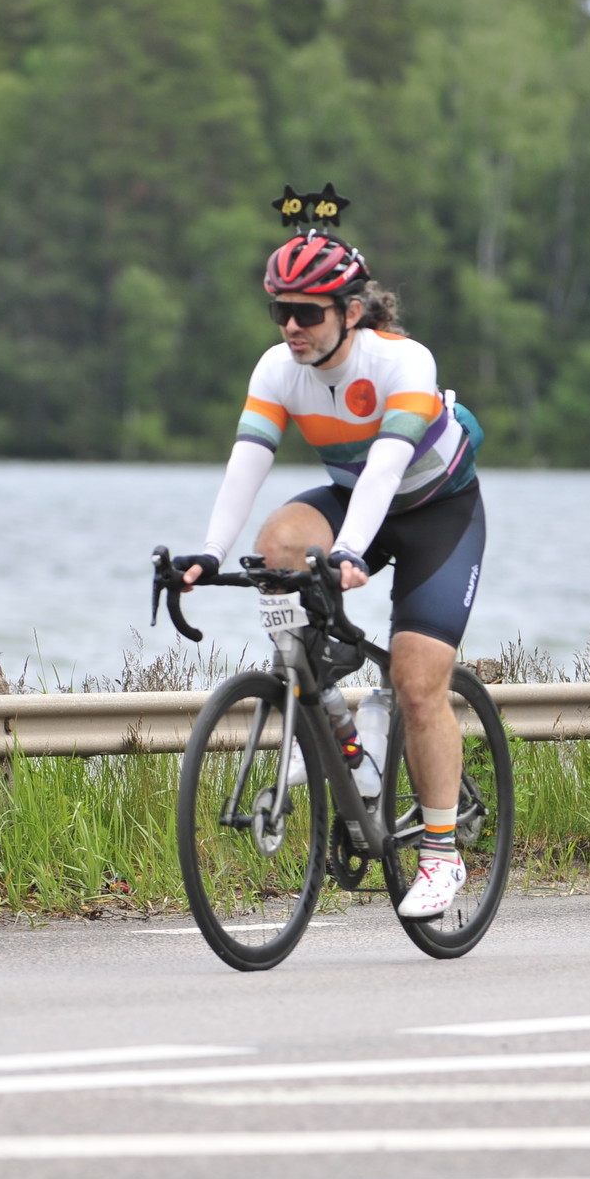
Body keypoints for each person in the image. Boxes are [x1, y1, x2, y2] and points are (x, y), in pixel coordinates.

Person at [175, 185, 486, 918]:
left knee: (418, 682)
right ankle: (326, 698)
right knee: (276, 545)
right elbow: (248, 460)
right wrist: (207, 553)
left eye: (308, 312)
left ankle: (441, 854)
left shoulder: (403, 361)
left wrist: (348, 551)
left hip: (436, 513)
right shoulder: (277, 368)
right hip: (356, 501)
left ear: (351, 311)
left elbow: (385, 467)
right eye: (280, 311)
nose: (292, 326)